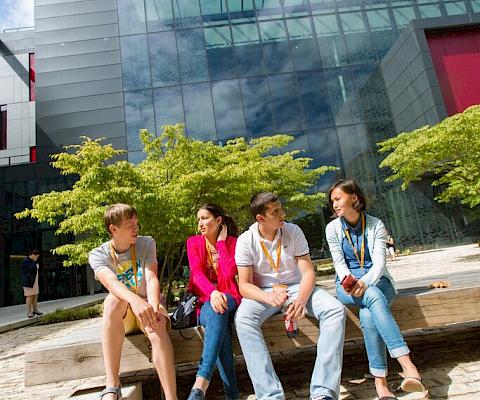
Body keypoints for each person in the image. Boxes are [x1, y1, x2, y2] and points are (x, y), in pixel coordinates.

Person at [235, 192, 346, 400]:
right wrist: (268, 298)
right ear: (261, 218)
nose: (282, 214)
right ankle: (270, 395)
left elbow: (308, 273)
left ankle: (323, 391)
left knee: (335, 310)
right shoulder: (245, 241)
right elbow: (244, 286)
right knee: (243, 319)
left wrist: (301, 300)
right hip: (265, 293)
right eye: (275, 212)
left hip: (297, 287)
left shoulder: (293, 231)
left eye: (281, 208)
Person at [325, 180, 425, 400]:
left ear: (354, 198)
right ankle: (408, 366)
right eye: (332, 200)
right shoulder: (332, 228)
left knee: (369, 312)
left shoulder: (375, 225)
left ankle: (381, 384)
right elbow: (339, 264)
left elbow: (380, 263)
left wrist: (366, 282)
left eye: (338, 198)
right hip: (347, 285)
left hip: (378, 281)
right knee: (372, 299)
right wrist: (353, 282)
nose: (334, 204)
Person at [88, 204, 177, 400]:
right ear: (113, 229)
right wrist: (135, 301)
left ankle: (171, 397)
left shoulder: (146, 243)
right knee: (112, 301)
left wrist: (152, 307)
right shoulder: (98, 254)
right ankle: (112, 384)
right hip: (125, 312)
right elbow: (110, 283)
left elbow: (152, 277)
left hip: (148, 303)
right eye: (130, 225)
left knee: (158, 323)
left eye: (136, 224)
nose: (136, 229)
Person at [186, 204, 241, 400]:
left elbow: (228, 275)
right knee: (220, 323)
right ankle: (232, 395)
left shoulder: (233, 243)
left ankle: (202, 381)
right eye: (199, 219)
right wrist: (212, 293)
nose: (200, 223)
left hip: (230, 298)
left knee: (222, 306)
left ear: (219, 221)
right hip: (204, 303)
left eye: (205, 218)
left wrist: (220, 244)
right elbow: (196, 274)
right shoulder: (193, 242)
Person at [21, 249, 43, 318]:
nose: (37, 258)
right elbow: (31, 269)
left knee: (35, 296)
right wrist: (34, 262)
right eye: (36, 256)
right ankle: (29, 312)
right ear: (33, 255)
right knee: (29, 296)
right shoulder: (26, 261)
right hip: (29, 282)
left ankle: (35, 310)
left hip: (34, 281)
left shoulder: (33, 261)